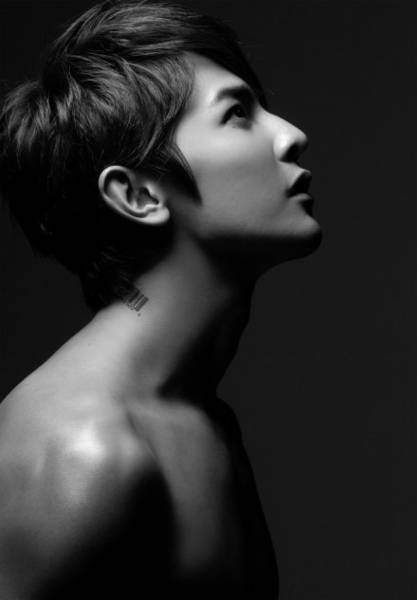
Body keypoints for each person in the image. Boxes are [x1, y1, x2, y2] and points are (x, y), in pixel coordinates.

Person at [0, 0, 321, 598]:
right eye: (237, 114)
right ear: (138, 195)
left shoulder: (199, 417)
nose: (291, 135)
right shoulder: (83, 451)